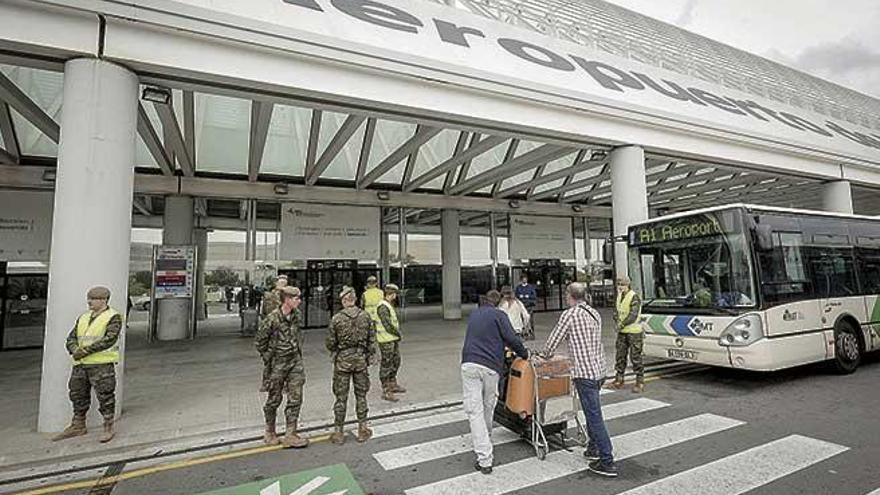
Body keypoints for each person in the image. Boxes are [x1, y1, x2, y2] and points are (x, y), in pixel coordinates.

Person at [540, 282, 618, 477]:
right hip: (599, 371)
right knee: (592, 411)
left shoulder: (570, 314)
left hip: (584, 373)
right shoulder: (594, 313)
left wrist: (544, 355)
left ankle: (607, 460)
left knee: (594, 416)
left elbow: (553, 340)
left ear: (569, 295)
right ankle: (593, 448)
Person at [461, 290, 529, 475]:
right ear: (498, 303)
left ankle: (484, 446)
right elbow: (511, 338)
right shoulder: (499, 315)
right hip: (491, 367)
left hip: (469, 365)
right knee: (488, 406)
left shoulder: (474, 314)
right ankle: (485, 456)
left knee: (474, 411)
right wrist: (524, 354)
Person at [53, 286, 123, 444]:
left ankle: (108, 426)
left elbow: (109, 339)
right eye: (89, 298)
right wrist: (74, 349)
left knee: (105, 396)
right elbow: (71, 337)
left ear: (103, 300)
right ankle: (78, 424)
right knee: (77, 394)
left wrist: (84, 351)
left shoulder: (113, 316)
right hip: (80, 364)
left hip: (101, 365)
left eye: (93, 299)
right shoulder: (83, 317)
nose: (89, 302)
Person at [255, 286, 309, 448]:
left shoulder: (296, 316)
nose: (299, 301)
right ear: (287, 299)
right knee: (274, 399)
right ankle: (270, 431)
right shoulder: (272, 319)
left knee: (296, 397)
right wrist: (270, 359)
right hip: (277, 364)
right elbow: (260, 342)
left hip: (295, 362)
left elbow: (298, 335)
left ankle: (291, 433)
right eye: (296, 298)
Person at [326, 286, 377, 445]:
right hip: (360, 361)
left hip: (343, 362)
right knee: (361, 396)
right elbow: (372, 341)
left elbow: (330, 343)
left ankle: (339, 432)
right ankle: (362, 428)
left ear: (343, 300)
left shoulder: (337, 319)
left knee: (341, 397)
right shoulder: (366, 317)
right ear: (354, 300)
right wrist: (368, 356)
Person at [608, 275, 645, 393]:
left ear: (628, 285)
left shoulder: (634, 297)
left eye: (622, 285)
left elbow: (633, 315)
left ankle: (640, 381)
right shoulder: (619, 296)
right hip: (622, 332)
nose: (620, 287)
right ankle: (619, 378)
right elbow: (616, 311)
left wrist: (621, 324)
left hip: (634, 332)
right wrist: (616, 320)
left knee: (635, 357)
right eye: (619, 285)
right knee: (620, 355)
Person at [259, 275, 290, 392]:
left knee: (281, 358)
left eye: (285, 284)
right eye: (282, 284)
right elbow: (263, 314)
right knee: (272, 358)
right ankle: (269, 383)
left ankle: (275, 384)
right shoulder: (271, 297)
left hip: (282, 331)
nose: (283, 286)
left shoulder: (286, 297)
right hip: (273, 331)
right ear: (277, 284)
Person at [376, 284, 405, 402]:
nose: (395, 297)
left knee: (396, 361)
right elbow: (387, 324)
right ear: (391, 294)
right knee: (386, 365)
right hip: (386, 340)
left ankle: (392, 384)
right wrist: (398, 334)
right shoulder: (382, 307)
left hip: (392, 339)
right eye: (395, 295)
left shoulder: (388, 305)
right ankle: (386, 390)